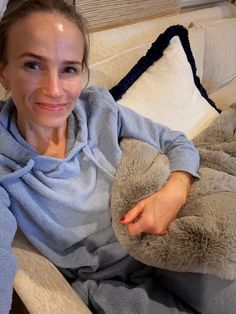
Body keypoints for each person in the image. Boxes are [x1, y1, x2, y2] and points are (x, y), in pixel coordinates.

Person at [0, 1, 229, 313]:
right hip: (113, 285)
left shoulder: (99, 110)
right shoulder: (4, 169)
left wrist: (174, 191)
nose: (54, 89)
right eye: (33, 65)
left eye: (68, 69)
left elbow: (175, 141)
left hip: (167, 238)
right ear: (4, 73)